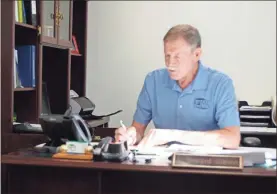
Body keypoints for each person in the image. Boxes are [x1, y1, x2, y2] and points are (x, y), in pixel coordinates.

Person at [115, 24, 241, 149]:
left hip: (205, 165)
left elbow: (232, 138)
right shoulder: (153, 81)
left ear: (196, 55)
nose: (170, 64)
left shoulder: (220, 84)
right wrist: (130, 136)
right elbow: (138, 129)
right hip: (162, 164)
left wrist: (172, 135)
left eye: (177, 57)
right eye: (167, 56)